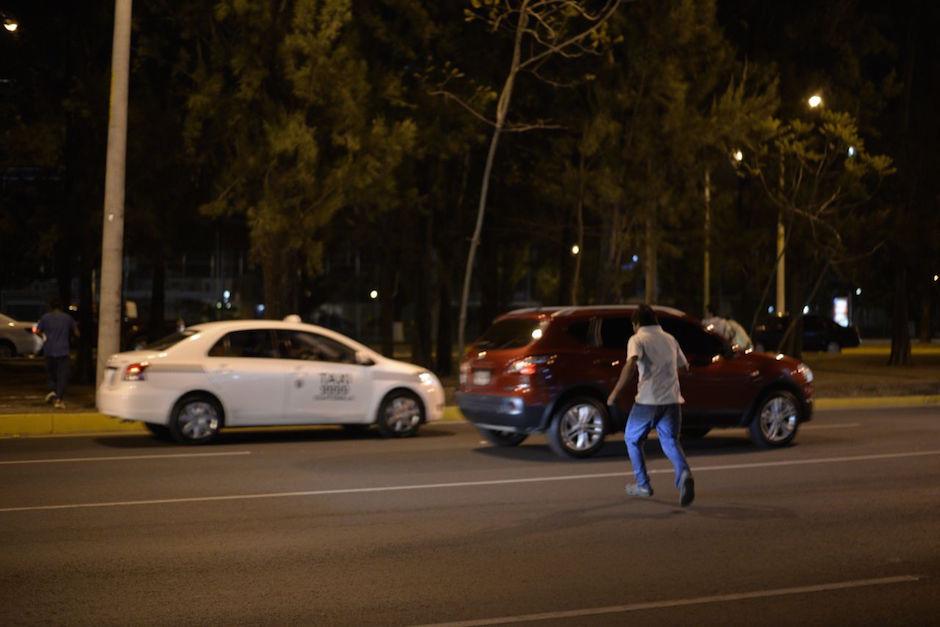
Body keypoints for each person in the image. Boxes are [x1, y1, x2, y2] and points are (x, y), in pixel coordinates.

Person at [607, 304, 695, 507]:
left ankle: (643, 485)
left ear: (636, 323)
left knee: (632, 439)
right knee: (670, 441)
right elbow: (684, 367)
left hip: (647, 401)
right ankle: (684, 474)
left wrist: (615, 393)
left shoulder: (637, 339)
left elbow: (631, 365)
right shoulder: (670, 339)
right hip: (672, 401)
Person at [35, 298, 79, 409]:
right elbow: (77, 333)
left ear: (50, 306)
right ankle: (58, 399)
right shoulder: (67, 318)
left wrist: (44, 338)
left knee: (51, 374)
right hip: (63, 351)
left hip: (49, 350)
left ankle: (53, 391)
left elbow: (37, 331)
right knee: (62, 376)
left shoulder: (45, 318)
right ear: (61, 307)